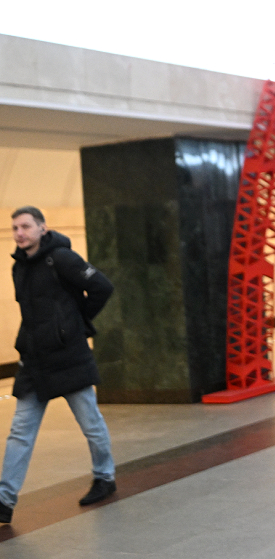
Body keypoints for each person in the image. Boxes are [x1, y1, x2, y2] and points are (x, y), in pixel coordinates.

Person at [0, 207, 116, 525]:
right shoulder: (19, 267)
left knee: (90, 423)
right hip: (34, 362)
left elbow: (102, 287)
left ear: (42, 228)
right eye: (15, 228)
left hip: (68, 357)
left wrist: (73, 324)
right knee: (20, 433)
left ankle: (104, 477)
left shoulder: (62, 258)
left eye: (26, 226)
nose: (19, 233)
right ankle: (4, 499)